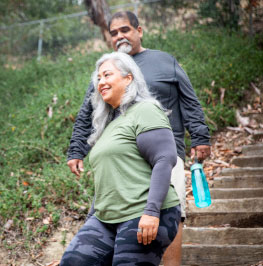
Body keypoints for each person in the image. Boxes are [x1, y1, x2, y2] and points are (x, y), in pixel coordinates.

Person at [67, 11, 211, 266]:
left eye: (125, 30)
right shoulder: (106, 71)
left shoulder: (164, 61)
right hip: (123, 157)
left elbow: (189, 101)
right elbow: (87, 113)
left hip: (165, 152)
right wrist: (76, 150)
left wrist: (199, 136)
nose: (120, 36)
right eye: (114, 33)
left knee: (169, 212)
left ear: (139, 31)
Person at [60, 52, 181, 266]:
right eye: (98, 78)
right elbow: (107, 182)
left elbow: (165, 159)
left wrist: (152, 212)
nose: (101, 82)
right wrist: (89, 224)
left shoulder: (145, 109)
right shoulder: (107, 124)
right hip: (106, 218)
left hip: (143, 212)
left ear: (129, 78)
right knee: (73, 262)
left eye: (107, 75)